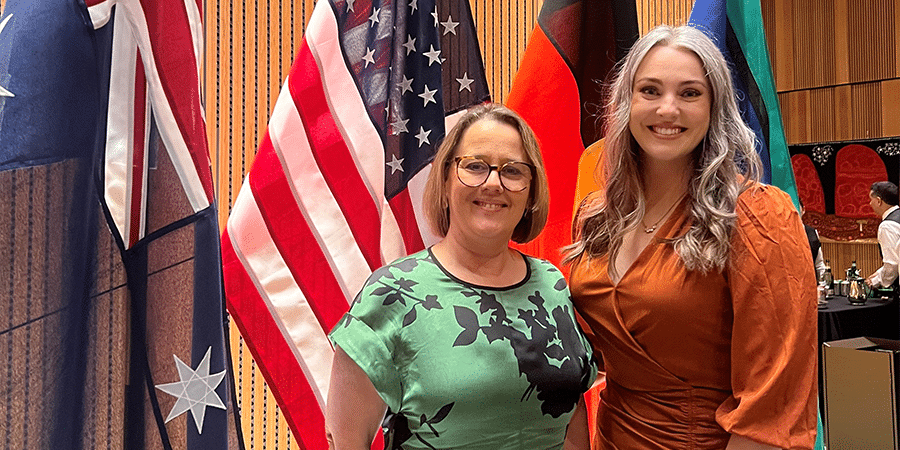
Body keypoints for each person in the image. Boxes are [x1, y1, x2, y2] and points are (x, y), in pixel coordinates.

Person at [565, 25, 818, 449]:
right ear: (625, 104)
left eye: (689, 93)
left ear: (714, 107)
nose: (668, 109)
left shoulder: (757, 216)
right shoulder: (596, 217)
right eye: (649, 90)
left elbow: (772, 409)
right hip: (609, 437)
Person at [325, 103, 597, 450]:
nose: (493, 183)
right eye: (475, 166)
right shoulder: (393, 294)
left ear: (531, 191)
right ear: (445, 179)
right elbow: (346, 437)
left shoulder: (552, 285)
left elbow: (571, 417)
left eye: (513, 171)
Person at [865, 180, 900, 290]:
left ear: (879, 201)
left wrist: (874, 281)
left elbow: (893, 265)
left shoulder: (887, 226)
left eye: (871, 200)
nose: (870, 204)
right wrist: (878, 273)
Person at [800, 202, 826, 281]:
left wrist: (823, 282)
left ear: (803, 210)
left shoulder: (812, 232)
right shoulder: (780, 234)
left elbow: (819, 264)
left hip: (810, 283)